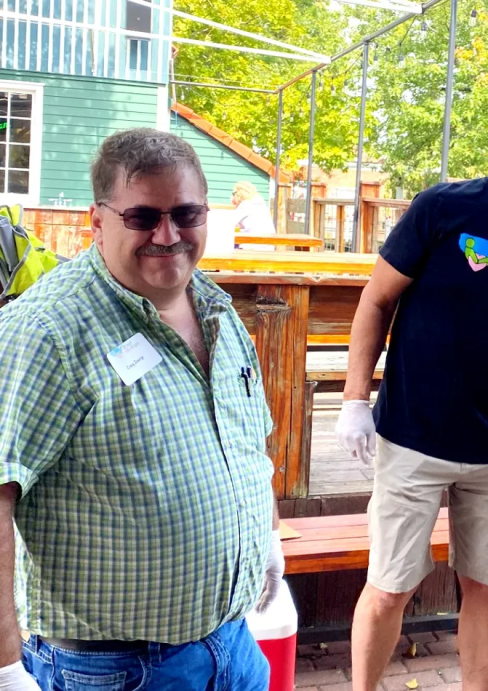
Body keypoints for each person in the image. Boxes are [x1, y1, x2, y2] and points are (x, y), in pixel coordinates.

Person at [0, 128, 284, 691]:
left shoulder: (219, 311)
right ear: (97, 221)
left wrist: (267, 541)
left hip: (232, 644)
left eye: (186, 213)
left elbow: (249, 444)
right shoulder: (46, 332)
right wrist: (6, 669)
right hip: (114, 671)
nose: (168, 234)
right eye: (142, 217)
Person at [335, 94, 488, 691]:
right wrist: (353, 400)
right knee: (390, 584)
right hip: (411, 437)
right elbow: (376, 300)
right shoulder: (443, 208)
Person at [231, 180, 277, 250]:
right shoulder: (261, 204)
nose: (233, 196)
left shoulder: (246, 204)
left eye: (233, 194)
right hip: (268, 247)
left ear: (239, 193)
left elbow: (230, 222)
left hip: (253, 247)